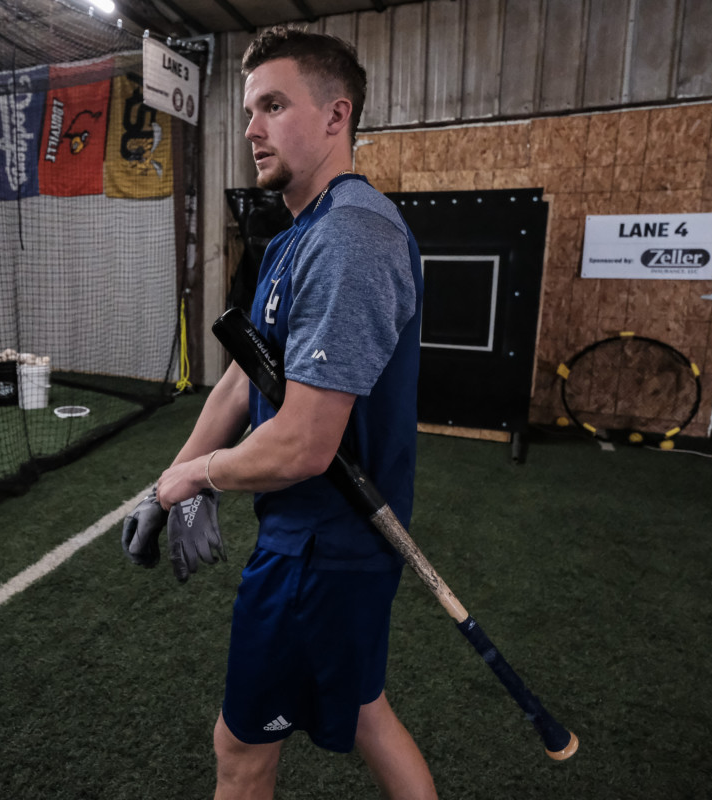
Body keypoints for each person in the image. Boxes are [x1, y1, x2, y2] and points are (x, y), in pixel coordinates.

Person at [122, 26, 437, 799]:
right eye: (249, 108)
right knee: (365, 712)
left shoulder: (350, 239)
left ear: (338, 116)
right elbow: (241, 380)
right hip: (320, 539)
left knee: (241, 752)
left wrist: (192, 479)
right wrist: (172, 478)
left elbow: (301, 444)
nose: (252, 128)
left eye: (272, 105)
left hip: (320, 550)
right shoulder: (301, 232)